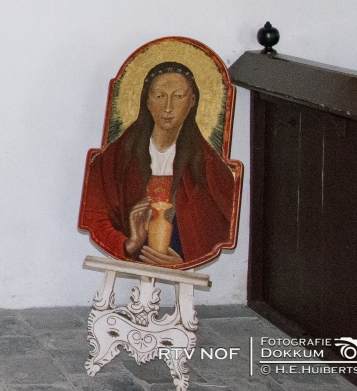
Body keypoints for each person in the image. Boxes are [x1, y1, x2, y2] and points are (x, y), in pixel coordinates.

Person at [80, 62, 238, 268]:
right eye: (159, 96)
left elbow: (217, 229)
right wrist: (129, 244)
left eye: (178, 96)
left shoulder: (207, 165)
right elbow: (95, 217)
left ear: (192, 101)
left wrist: (185, 262)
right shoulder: (116, 157)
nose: (168, 107)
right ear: (147, 101)